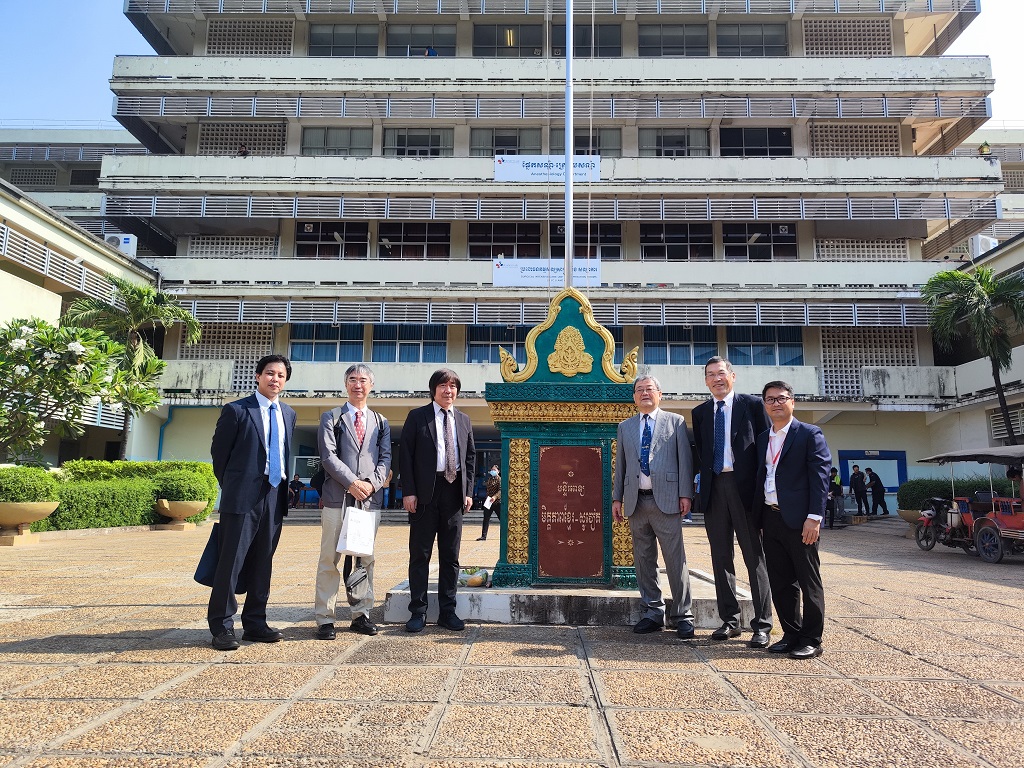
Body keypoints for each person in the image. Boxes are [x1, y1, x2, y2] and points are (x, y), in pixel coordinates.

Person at [207, 354, 296, 651]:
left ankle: (256, 622)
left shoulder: (288, 413)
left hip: (275, 494)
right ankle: (222, 626)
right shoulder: (237, 410)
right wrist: (234, 487)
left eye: (281, 375)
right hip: (242, 497)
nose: (275, 379)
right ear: (258, 376)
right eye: (270, 373)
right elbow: (220, 455)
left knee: (263, 561)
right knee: (231, 561)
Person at [691, 357, 773, 648]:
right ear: (705, 381)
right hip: (715, 488)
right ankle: (730, 620)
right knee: (720, 556)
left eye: (721, 373)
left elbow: (765, 448)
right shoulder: (700, 412)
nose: (717, 379)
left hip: (745, 490)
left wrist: (763, 494)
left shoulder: (752, 405)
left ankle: (762, 624)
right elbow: (702, 452)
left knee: (754, 556)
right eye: (710, 375)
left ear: (732, 376)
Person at [612, 375, 695, 639]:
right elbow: (621, 466)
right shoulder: (625, 427)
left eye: (649, 389)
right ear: (634, 397)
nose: (644, 393)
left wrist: (685, 494)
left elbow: (685, 460)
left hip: (667, 500)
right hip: (636, 501)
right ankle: (652, 612)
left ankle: (683, 615)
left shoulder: (675, 422)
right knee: (644, 560)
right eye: (639, 390)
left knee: (675, 560)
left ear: (660, 393)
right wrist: (617, 498)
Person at [314, 364, 392, 639]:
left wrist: (370, 484)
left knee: (365, 559)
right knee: (329, 559)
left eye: (363, 380)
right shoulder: (331, 417)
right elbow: (328, 456)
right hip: (337, 498)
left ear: (371, 385)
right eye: (352, 379)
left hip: (369, 501)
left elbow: (385, 458)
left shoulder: (381, 421)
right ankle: (325, 618)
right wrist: (352, 483)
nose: (358, 384)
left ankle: (361, 615)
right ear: (346, 384)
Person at [755, 380, 830, 660]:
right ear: (764, 404)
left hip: (801, 521)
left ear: (792, 402)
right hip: (771, 517)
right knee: (781, 581)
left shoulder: (809, 433)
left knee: (808, 581)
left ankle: (811, 639)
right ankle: (791, 633)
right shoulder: (763, 438)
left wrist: (814, 517)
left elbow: (820, 477)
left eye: (781, 398)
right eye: (770, 399)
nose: (776, 403)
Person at [400, 368, 476, 632]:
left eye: (453, 386)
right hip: (424, 494)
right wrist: (408, 491)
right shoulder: (417, 416)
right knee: (420, 554)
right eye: (443, 385)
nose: (448, 390)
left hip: (454, 494)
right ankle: (418, 612)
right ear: (433, 390)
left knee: (450, 556)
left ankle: (448, 611)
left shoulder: (464, 420)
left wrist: (468, 492)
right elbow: (406, 456)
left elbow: (470, 457)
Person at [477, 464, 501, 541]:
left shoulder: (499, 479)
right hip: (489, 501)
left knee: (501, 519)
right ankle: (483, 536)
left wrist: (495, 497)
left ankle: (506, 534)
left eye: (494, 470)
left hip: (497, 502)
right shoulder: (490, 479)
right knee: (486, 518)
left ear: (498, 471)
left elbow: (500, 490)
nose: (493, 471)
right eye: (492, 470)